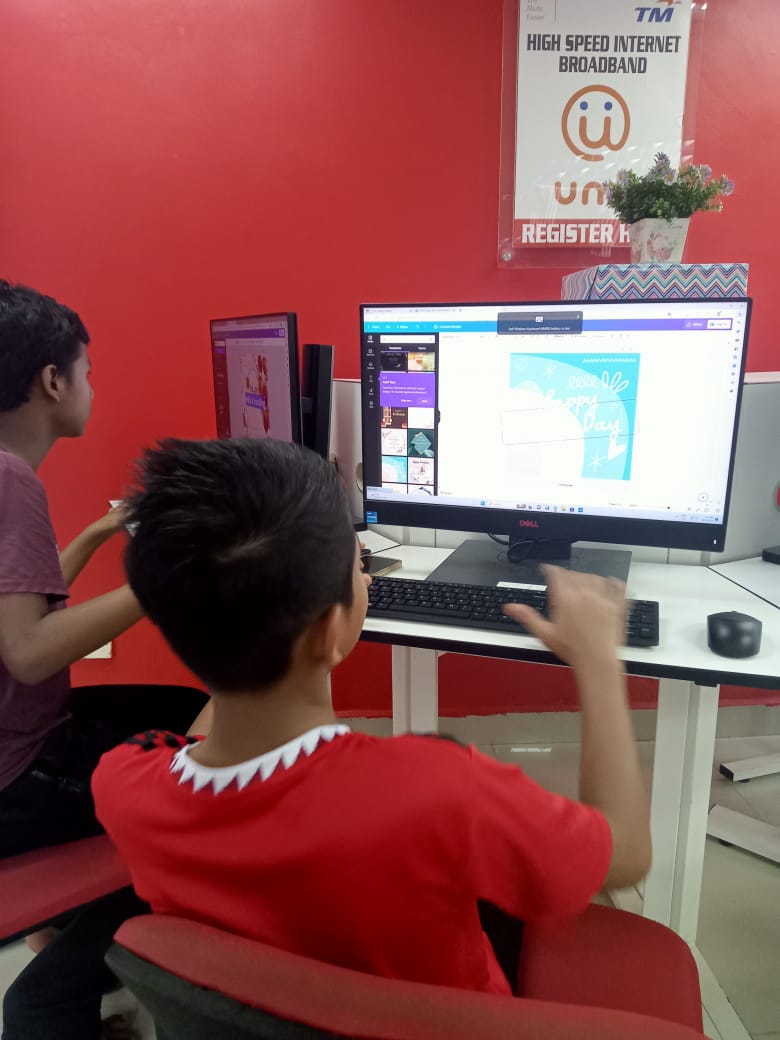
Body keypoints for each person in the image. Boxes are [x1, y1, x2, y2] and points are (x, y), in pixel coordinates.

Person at [93, 436, 652, 998]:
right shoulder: (439, 792)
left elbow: (199, 742)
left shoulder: (121, 783)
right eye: (357, 567)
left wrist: (274, 642)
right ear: (330, 628)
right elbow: (626, 853)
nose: (365, 577)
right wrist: (598, 660)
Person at [0, 280, 208, 1039]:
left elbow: (14, 609)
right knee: (201, 780)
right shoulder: (10, 478)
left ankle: (64, 931)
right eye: (87, 370)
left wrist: (96, 533)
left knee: (185, 710)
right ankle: (51, 996)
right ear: (52, 382)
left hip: (23, 742)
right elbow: (27, 652)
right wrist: (165, 578)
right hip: (20, 777)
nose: (93, 385)